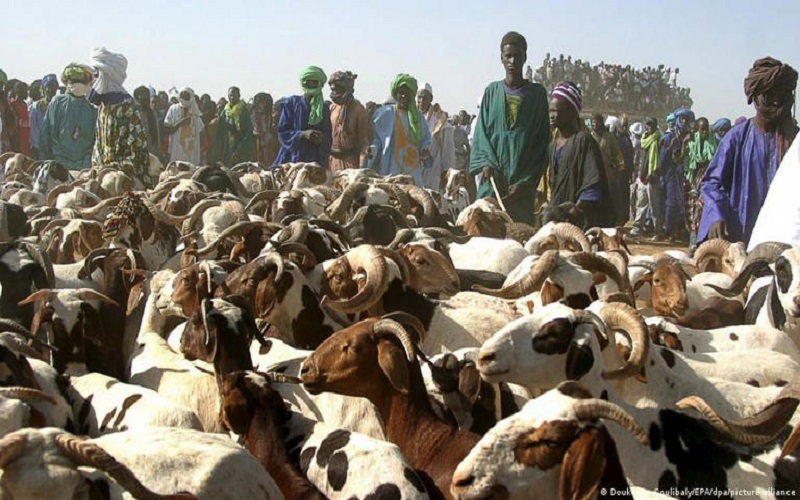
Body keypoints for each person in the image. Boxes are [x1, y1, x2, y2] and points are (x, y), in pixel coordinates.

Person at [698, 56, 798, 245]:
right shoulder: (737, 138)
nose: (777, 101)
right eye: (770, 95)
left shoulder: (795, 141)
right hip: (741, 235)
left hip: (785, 239)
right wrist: (716, 214)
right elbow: (712, 183)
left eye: (782, 95)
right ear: (755, 96)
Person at [469, 31, 550, 224]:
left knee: (519, 240)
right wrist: (486, 163)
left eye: (517, 56)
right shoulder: (491, 92)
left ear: (525, 57)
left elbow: (541, 143)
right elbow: (481, 135)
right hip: (493, 183)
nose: (512, 61)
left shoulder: (537, 95)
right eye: (508, 56)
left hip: (522, 188)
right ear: (501, 58)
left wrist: (525, 183)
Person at [547, 81, 611, 228]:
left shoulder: (584, 141)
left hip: (580, 221)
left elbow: (592, 185)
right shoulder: (552, 146)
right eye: (550, 111)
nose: (551, 115)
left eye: (556, 111)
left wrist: (574, 212)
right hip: (557, 219)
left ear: (572, 112)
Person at [88, 47, 152, 186]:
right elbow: (98, 145)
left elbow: (137, 147)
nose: (93, 80)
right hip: (103, 176)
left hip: (125, 179)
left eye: (96, 75)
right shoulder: (102, 106)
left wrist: (117, 168)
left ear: (106, 76)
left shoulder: (127, 105)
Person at [368, 74, 432, 185]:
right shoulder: (385, 115)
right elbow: (377, 141)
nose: (403, 96)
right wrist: (372, 149)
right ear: (395, 94)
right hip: (390, 171)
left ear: (411, 96)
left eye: (407, 94)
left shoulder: (418, 118)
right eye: (401, 93)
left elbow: (425, 141)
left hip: (413, 172)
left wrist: (425, 151)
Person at [39, 64, 97, 171]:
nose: (78, 84)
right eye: (75, 81)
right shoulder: (58, 102)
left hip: (81, 168)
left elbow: (94, 140)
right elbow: (45, 135)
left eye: (81, 81)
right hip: (60, 165)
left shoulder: (92, 108)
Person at [274, 67, 332, 168]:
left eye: (315, 83)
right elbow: (282, 133)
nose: (312, 85)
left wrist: (321, 139)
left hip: (316, 160)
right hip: (292, 159)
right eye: (309, 82)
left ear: (320, 84)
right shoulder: (290, 104)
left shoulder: (324, 108)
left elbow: (328, 135)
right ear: (304, 83)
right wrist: (302, 134)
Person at [656, 108, 694, 243]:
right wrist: (671, 147)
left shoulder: (692, 137)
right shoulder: (669, 138)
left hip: (686, 175)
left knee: (683, 204)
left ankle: (681, 231)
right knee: (671, 204)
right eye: (681, 119)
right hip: (671, 175)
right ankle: (668, 230)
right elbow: (662, 160)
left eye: (686, 119)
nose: (683, 122)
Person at [328, 70, 370, 173]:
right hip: (332, 162)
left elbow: (364, 142)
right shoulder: (331, 108)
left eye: (338, 89)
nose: (335, 93)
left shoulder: (358, 110)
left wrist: (361, 168)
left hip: (351, 164)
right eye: (333, 89)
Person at [684, 117, 717, 247]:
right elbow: (682, 159)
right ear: (697, 130)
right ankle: (693, 242)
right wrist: (683, 144)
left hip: (708, 179)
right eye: (702, 129)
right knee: (692, 211)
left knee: (702, 208)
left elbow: (714, 161)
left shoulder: (713, 142)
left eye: (706, 129)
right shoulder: (691, 142)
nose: (704, 132)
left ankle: (701, 242)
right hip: (694, 179)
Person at [417, 83, 456, 191]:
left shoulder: (441, 123)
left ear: (431, 99)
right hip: (414, 170)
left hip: (433, 171)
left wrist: (447, 173)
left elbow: (448, 152)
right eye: (419, 97)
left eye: (424, 98)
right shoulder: (412, 117)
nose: (421, 101)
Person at [591, 113, 625, 224]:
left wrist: (620, 169)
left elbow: (618, 154)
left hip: (608, 174)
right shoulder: (589, 137)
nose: (595, 125)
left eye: (597, 122)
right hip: (592, 175)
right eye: (593, 122)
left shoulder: (609, 137)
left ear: (602, 123)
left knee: (609, 199)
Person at [631, 117, 663, 237]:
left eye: (651, 125)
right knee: (640, 204)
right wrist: (638, 173)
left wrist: (654, 173)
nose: (649, 127)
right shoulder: (643, 140)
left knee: (654, 207)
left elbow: (661, 160)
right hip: (642, 177)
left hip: (653, 178)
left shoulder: (659, 140)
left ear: (655, 126)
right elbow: (638, 158)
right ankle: (637, 228)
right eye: (647, 125)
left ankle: (658, 231)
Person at [216, 86, 256, 166]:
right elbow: (220, 132)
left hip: (240, 150)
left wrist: (239, 150)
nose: (231, 97)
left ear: (239, 96)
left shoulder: (244, 112)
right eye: (230, 95)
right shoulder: (224, 112)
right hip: (226, 150)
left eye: (234, 95)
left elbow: (248, 132)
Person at [163, 87, 204, 165]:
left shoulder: (195, 111)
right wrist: (180, 123)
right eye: (182, 95)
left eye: (186, 95)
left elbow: (201, 133)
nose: (184, 97)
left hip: (191, 153)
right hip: (176, 152)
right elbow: (166, 129)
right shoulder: (173, 109)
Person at [28, 74, 58, 159]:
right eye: (48, 86)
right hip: (39, 151)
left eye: (53, 87)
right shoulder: (35, 107)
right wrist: (39, 147)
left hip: (56, 151)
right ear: (44, 88)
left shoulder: (60, 107)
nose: (51, 89)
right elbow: (33, 130)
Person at [134, 85, 160, 158]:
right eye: (141, 95)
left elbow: (156, 134)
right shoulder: (134, 113)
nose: (144, 98)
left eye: (146, 96)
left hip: (151, 149)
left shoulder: (152, 113)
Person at [251, 92, 274, 166]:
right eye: (260, 103)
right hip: (255, 143)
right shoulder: (252, 115)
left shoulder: (272, 115)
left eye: (264, 103)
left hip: (269, 143)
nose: (262, 105)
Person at [8, 81, 30, 155]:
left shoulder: (25, 105)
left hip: (25, 138)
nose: (27, 94)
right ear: (18, 91)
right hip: (17, 139)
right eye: (25, 91)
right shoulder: (12, 105)